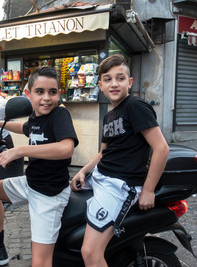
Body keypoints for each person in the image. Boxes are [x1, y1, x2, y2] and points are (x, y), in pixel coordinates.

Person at [70, 54, 169, 267]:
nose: (114, 83)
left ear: (129, 83)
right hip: (100, 177)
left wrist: (148, 190)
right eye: (108, 79)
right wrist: (83, 171)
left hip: (119, 186)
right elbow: (103, 153)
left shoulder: (135, 106)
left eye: (120, 78)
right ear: (100, 86)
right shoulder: (109, 116)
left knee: (90, 253)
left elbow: (161, 148)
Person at [0, 66, 79, 267]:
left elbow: (66, 148)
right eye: (40, 92)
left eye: (52, 92)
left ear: (59, 94)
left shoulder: (59, 115)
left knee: (40, 263)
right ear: (28, 94)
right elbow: (24, 128)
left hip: (49, 194)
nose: (46, 98)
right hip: (31, 183)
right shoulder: (36, 117)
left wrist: (19, 151)